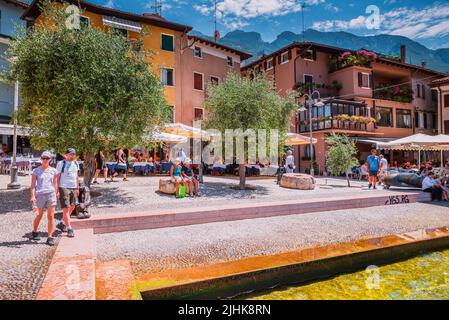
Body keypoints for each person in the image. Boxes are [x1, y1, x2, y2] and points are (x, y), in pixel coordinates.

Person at [30, 151, 58, 246]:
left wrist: (56, 192)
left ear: (50, 159)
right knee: (39, 215)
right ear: (41, 159)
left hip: (51, 194)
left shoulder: (53, 170)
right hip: (40, 195)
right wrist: (33, 196)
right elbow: (33, 185)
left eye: (47, 158)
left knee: (50, 216)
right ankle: (35, 231)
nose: (45, 160)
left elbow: (55, 183)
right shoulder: (36, 171)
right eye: (43, 158)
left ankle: (50, 237)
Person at [56, 148, 79, 238]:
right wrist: (57, 190)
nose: (72, 156)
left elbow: (76, 176)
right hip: (63, 187)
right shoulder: (61, 163)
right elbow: (57, 177)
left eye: (73, 154)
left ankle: (62, 223)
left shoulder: (76, 163)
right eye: (70, 154)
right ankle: (69, 228)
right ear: (66, 155)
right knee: (66, 207)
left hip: (73, 187)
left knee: (72, 206)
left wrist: (77, 188)